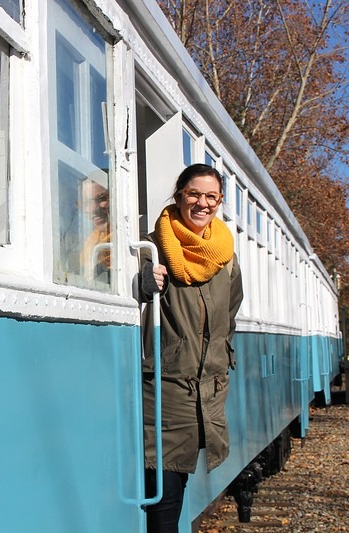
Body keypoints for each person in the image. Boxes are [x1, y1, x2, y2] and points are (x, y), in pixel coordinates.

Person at [139, 163, 244, 533]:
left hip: (208, 390)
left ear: (220, 201)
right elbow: (114, 282)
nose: (202, 203)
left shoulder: (225, 255)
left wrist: (218, 360)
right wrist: (140, 281)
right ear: (179, 195)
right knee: (164, 492)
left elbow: (229, 315)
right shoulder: (150, 247)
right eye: (194, 194)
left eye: (211, 196)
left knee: (177, 482)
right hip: (165, 388)